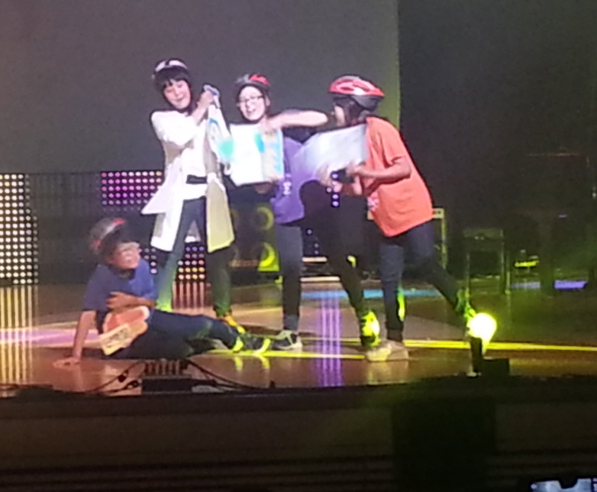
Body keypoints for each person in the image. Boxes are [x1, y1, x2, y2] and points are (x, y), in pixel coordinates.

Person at [325, 75, 479, 361]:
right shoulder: (348, 141)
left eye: (337, 105)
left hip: (410, 208)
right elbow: (359, 188)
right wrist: (336, 186)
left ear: (352, 106)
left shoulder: (380, 129)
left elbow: (403, 168)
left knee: (425, 262)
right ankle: (395, 340)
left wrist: (365, 172)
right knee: (389, 279)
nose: (333, 112)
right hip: (384, 217)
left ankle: (468, 316)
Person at [231, 73, 378, 350]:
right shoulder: (245, 139)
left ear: (266, 100)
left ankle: (364, 315)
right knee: (290, 267)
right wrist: (264, 181)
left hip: (315, 201)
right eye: (243, 100)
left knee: (338, 260)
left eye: (254, 97)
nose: (249, 104)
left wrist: (280, 122)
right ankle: (290, 330)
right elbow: (260, 188)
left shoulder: (288, 121)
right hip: (285, 207)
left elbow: (321, 118)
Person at [55, 218, 267, 367]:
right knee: (179, 350)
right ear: (109, 258)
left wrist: (132, 301)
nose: (132, 255)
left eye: (134, 248)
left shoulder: (143, 266)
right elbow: (88, 314)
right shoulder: (102, 276)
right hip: (124, 340)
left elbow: (151, 303)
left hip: (149, 319)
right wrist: (76, 355)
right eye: (124, 251)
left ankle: (240, 341)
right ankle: (200, 343)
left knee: (206, 324)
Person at [143, 58, 239, 326]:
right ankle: (161, 315)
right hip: (181, 193)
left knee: (219, 254)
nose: (176, 92)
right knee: (169, 254)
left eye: (180, 84)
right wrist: (201, 108)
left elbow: (226, 147)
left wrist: (216, 118)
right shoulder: (162, 118)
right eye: (168, 88)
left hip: (210, 192)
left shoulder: (210, 113)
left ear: (189, 84)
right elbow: (178, 138)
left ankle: (224, 313)